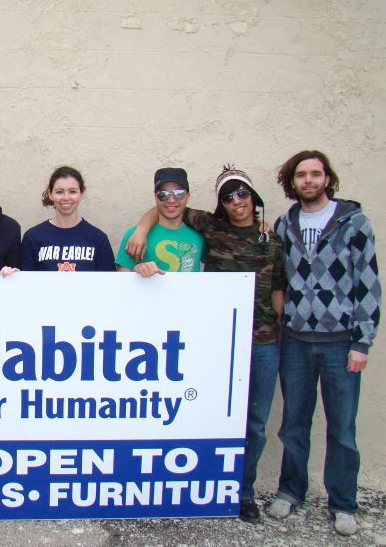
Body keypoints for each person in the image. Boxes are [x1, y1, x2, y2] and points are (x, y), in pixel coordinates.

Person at [125, 165, 284, 523]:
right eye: (228, 196)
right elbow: (163, 207)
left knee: (255, 422)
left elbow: (278, 290)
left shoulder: (271, 240)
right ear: (220, 203)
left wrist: (283, 338)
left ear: (253, 198)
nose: (236, 201)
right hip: (219, 339)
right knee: (210, 415)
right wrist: (141, 227)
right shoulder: (211, 227)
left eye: (242, 193)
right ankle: (210, 487)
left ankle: (244, 493)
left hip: (263, 342)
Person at [266, 150, 381, 537]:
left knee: (342, 429)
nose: (309, 181)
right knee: (294, 424)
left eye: (316, 174)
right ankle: (290, 490)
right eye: (302, 175)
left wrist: (362, 342)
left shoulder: (353, 223)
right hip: (296, 341)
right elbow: (278, 279)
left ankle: (343, 503)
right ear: (292, 182)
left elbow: (368, 283)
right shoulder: (286, 225)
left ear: (328, 179)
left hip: (340, 342)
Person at [19, 166, 115, 272]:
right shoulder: (33, 237)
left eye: (72, 191)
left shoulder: (98, 239)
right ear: (50, 194)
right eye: (59, 192)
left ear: (81, 194)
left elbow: (107, 284)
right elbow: (26, 283)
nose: (66, 197)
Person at [115, 167, 204, 277]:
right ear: (156, 197)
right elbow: (120, 282)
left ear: (187, 197)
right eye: (163, 194)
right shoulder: (134, 235)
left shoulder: (199, 234)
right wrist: (136, 272)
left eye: (179, 193)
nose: (171, 200)